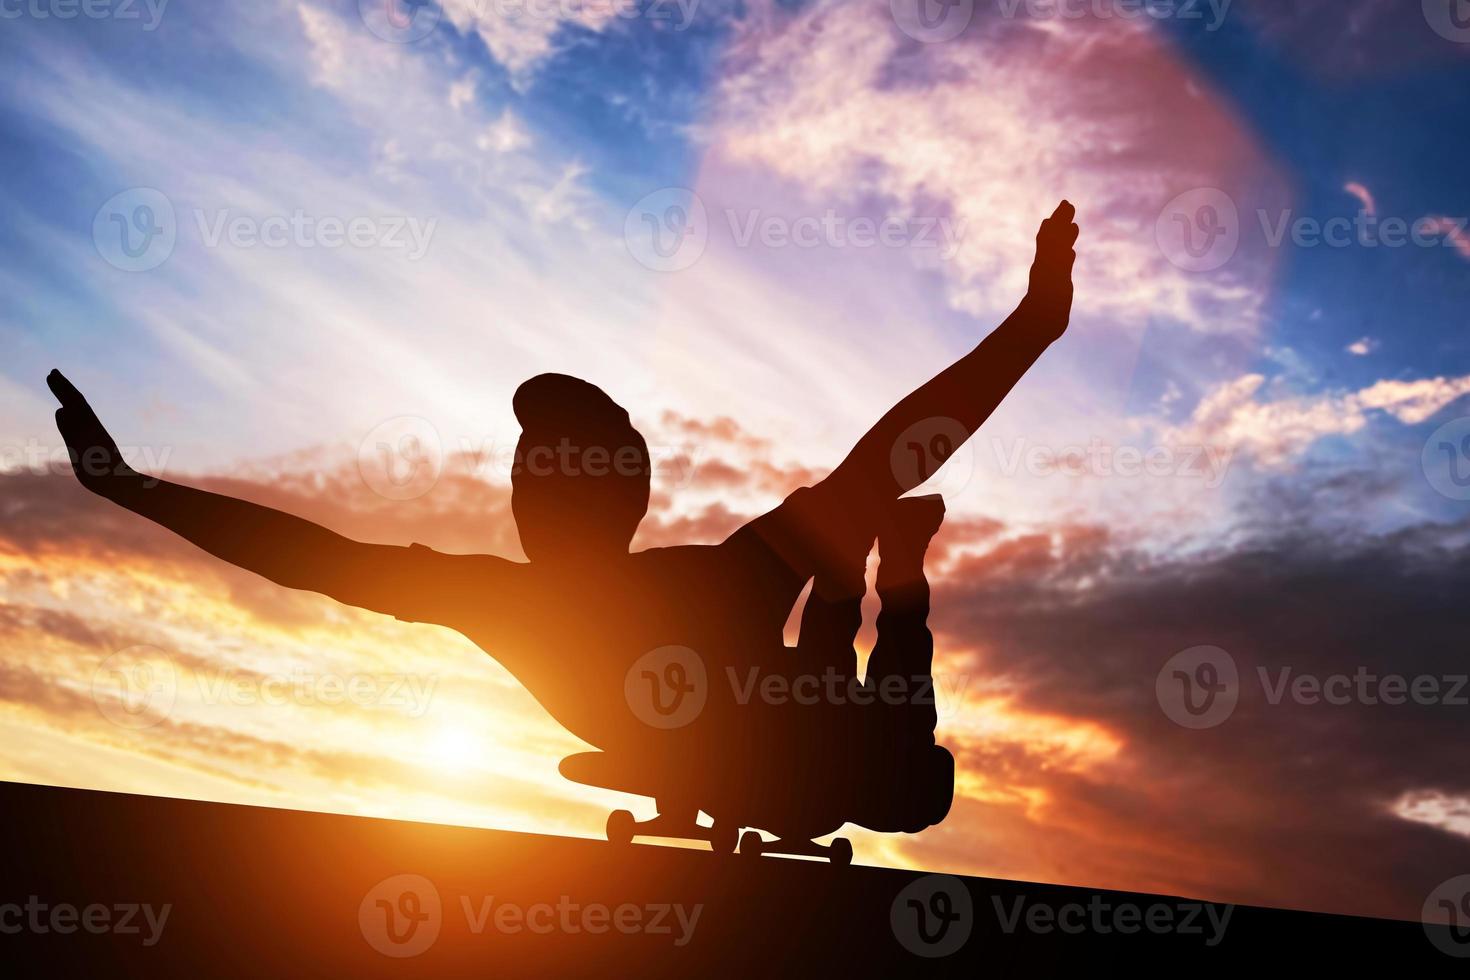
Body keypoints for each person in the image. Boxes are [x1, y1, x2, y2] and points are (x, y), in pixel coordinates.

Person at [49, 202, 1080, 833]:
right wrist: (131, 488)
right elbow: (310, 557)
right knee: (836, 599)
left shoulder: (690, 581)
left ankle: (891, 584)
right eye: (525, 478)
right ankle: (883, 581)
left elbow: (888, 450)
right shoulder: (520, 599)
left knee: (853, 662)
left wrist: (1030, 329)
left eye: (550, 480)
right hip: (779, 751)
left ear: (615, 495)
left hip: (844, 761)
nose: (525, 497)